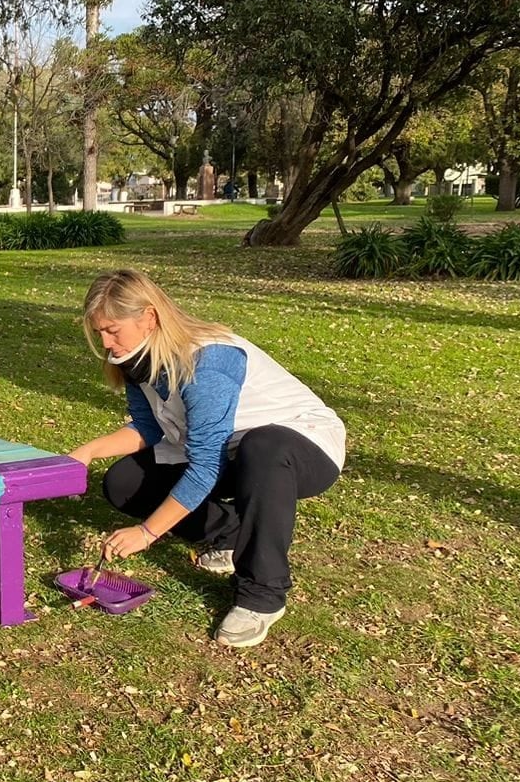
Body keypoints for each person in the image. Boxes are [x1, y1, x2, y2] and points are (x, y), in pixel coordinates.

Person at [68, 269, 345, 648]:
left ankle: (262, 594)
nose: (105, 342)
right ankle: (230, 536)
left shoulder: (208, 364)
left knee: (262, 448)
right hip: (229, 452)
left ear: (149, 318)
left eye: (112, 330)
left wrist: (148, 532)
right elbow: (150, 427)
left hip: (302, 447)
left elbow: (205, 466)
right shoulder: (136, 359)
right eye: (98, 331)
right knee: (124, 482)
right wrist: (86, 452)